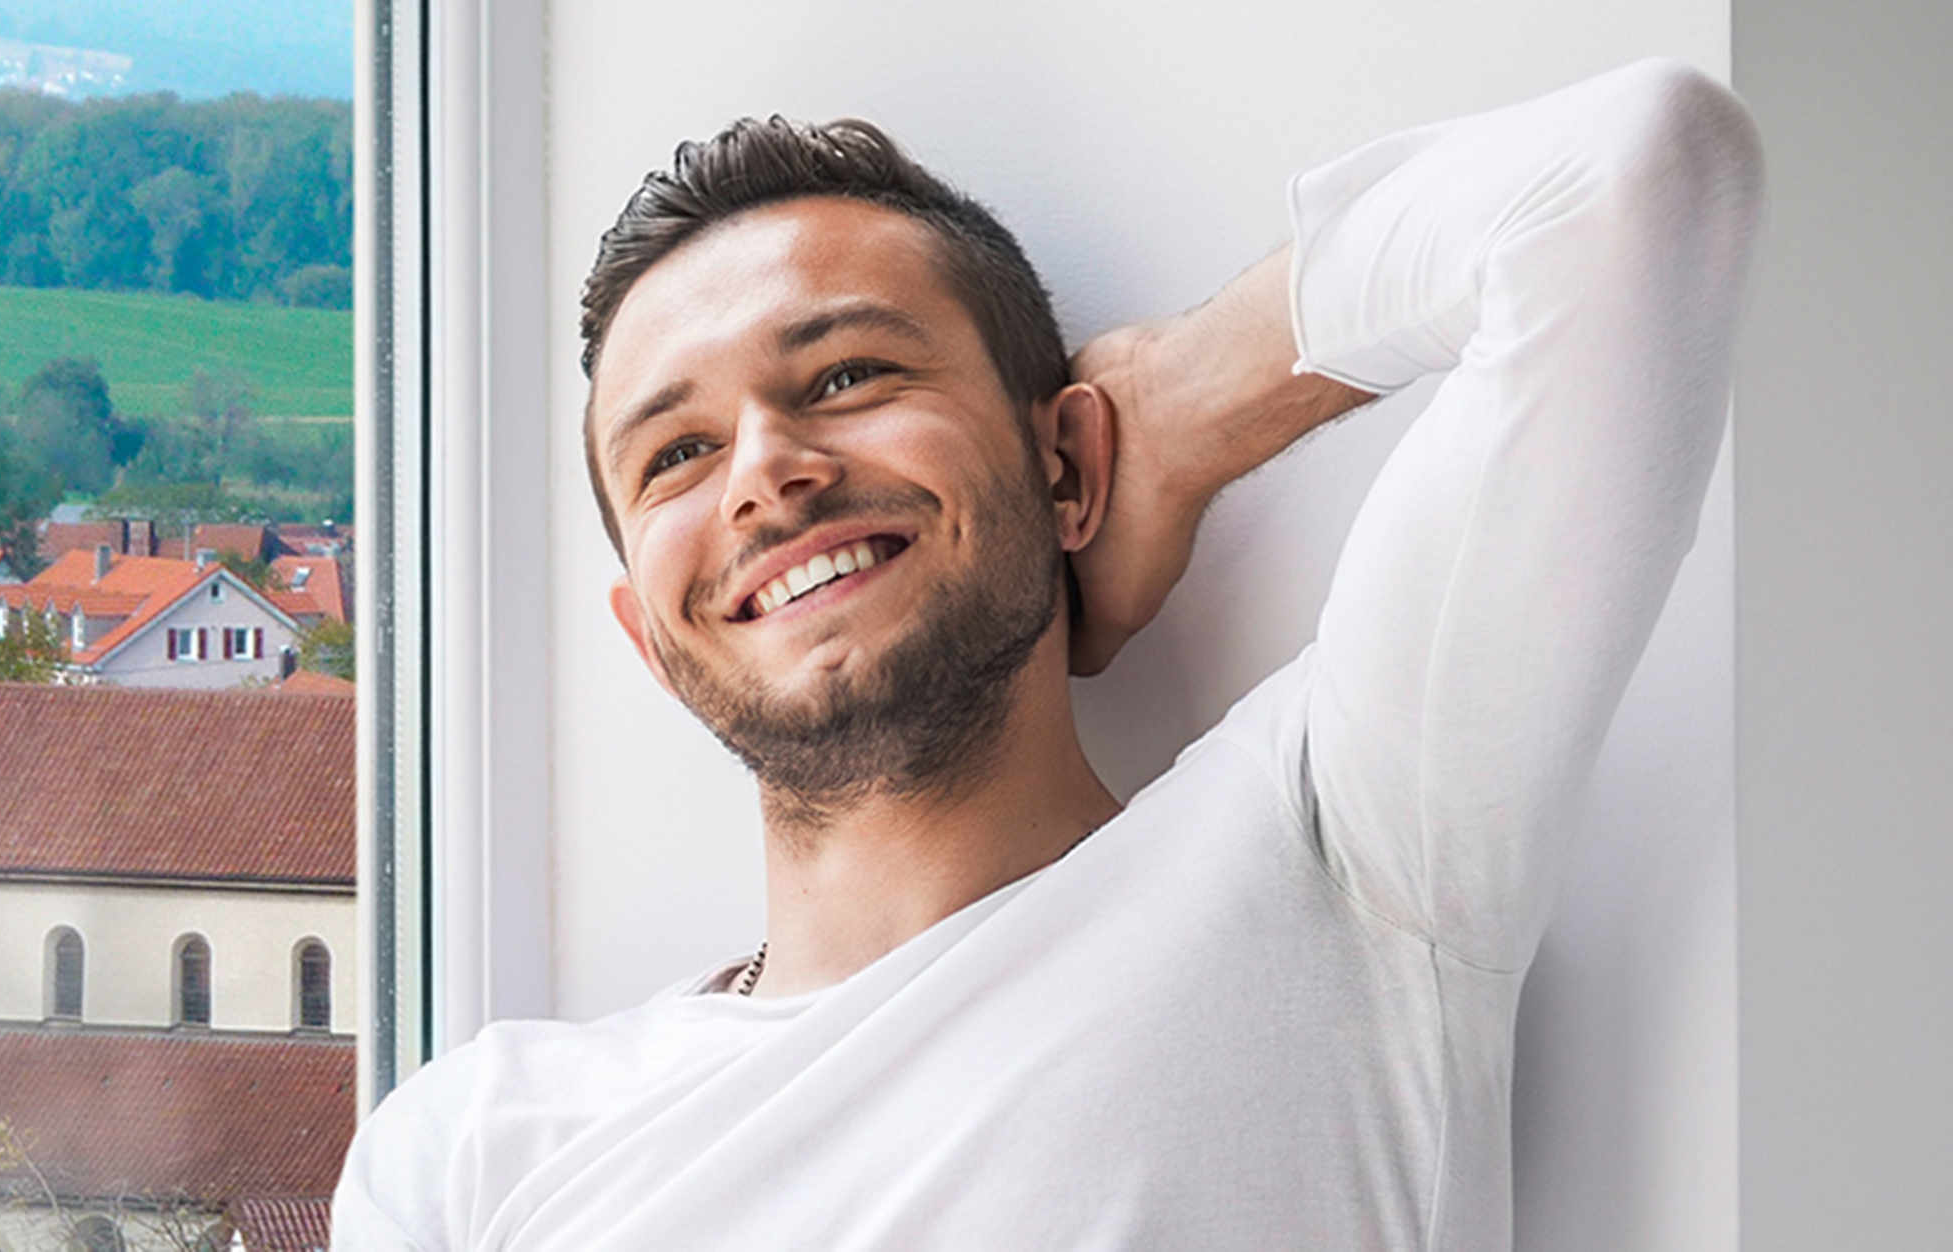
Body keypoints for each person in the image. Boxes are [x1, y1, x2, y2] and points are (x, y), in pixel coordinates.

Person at [332, 58, 1761, 1249]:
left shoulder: (1344, 854)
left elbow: (1643, 178)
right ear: (650, 638)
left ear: (1065, 463)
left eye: (846, 376)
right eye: (679, 453)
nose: (766, 474)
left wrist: (1179, 404)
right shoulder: (478, 1151)